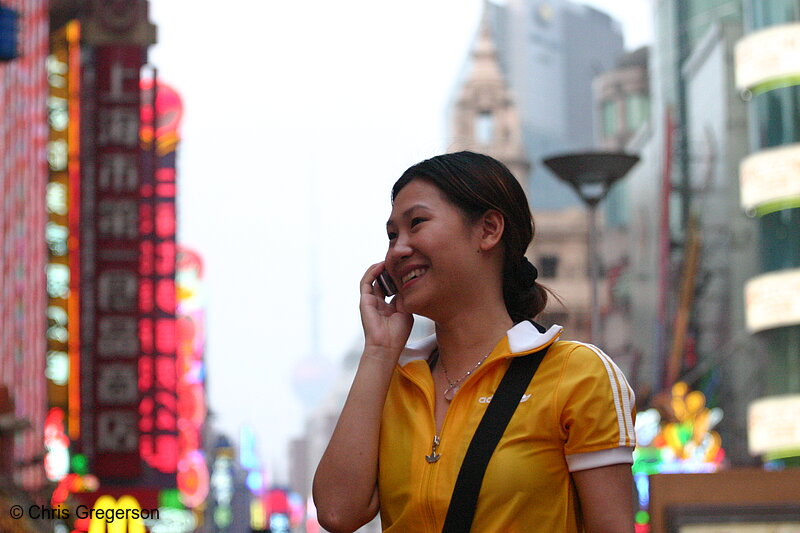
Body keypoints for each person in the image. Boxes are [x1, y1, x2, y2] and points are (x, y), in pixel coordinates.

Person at [313, 151, 637, 532]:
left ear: (488, 230)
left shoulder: (578, 374)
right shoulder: (393, 384)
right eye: (391, 235)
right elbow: (337, 513)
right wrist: (380, 351)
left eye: (416, 223)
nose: (398, 249)